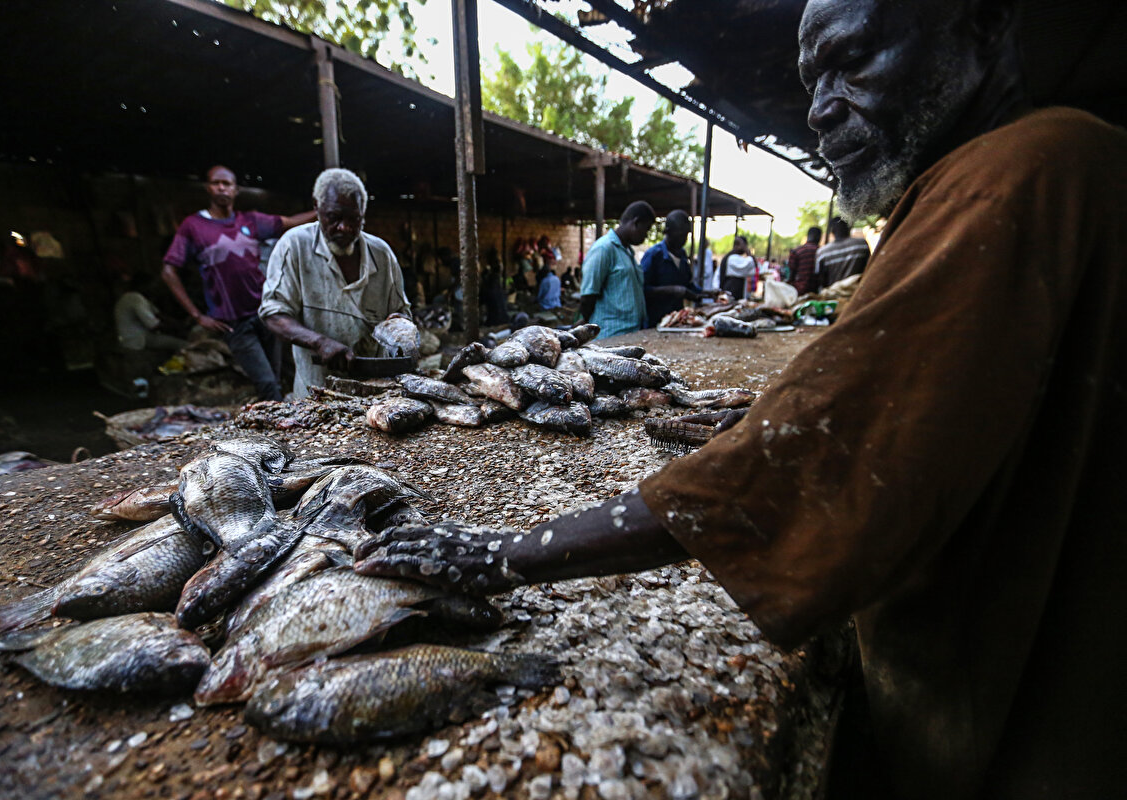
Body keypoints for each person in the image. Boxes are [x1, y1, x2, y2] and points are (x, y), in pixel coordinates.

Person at [352, 0, 1127, 798]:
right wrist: (781, 405)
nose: (822, 108)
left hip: (1015, 712)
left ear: (982, 26)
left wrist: (502, 554)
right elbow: (919, 385)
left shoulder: (1020, 172)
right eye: (812, 79)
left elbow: (817, 459)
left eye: (854, 60)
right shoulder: (1037, 163)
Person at [161, 165, 315, 400]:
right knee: (266, 383)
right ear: (208, 187)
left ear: (236, 190)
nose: (222, 188)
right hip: (234, 323)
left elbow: (289, 222)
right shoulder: (193, 226)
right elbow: (168, 271)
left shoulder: (250, 220)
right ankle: (277, 432)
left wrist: (321, 211)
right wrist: (197, 316)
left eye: (227, 184)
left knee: (274, 379)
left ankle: (274, 429)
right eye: (216, 183)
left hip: (266, 314)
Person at [259, 168, 411, 398]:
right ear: (317, 208)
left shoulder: (382, 254)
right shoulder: (294, 246)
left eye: (353, 219)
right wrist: (319, 342)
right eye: (334, 217)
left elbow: (401, 313)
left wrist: (399, 325)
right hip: (316, 392)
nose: (344, 227)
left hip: (377, 393)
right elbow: (274, 313)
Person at [578, 202, 655, 339]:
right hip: (610, 334)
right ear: (635, 223)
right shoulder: (604, 249)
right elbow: (588, 296)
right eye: (646, 229)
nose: (646, 235)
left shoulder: (627, 251)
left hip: (631, 332)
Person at [638, 210, 705, 327]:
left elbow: (688, 286)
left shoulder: (683, 255)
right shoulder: (654, 255)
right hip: (655, 322)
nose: (684, 239)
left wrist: (706, 293)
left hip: (677, 320)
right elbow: (643, 289)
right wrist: (672, 290)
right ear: (667, 232)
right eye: (680, 235)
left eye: (686, 235)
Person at [815, 217, 871, 288]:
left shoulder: (822, 252)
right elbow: (870, 266)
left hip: (833, 295)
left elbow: (820, 279)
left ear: (832, 232)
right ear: (848, 228)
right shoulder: (861, 244)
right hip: (858, 290)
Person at [717, 236, 757, 302]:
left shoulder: (733, 256)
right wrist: (746, 250)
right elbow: (750, 263)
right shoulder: (733, 258)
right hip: (732, 290)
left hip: (734, 290)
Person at [787, 225, 822, 295]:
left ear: (808, 236)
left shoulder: (797, 251)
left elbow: (791, 276)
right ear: (819, 237)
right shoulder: (822, 251)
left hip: (798, 291)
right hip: (816, 293)